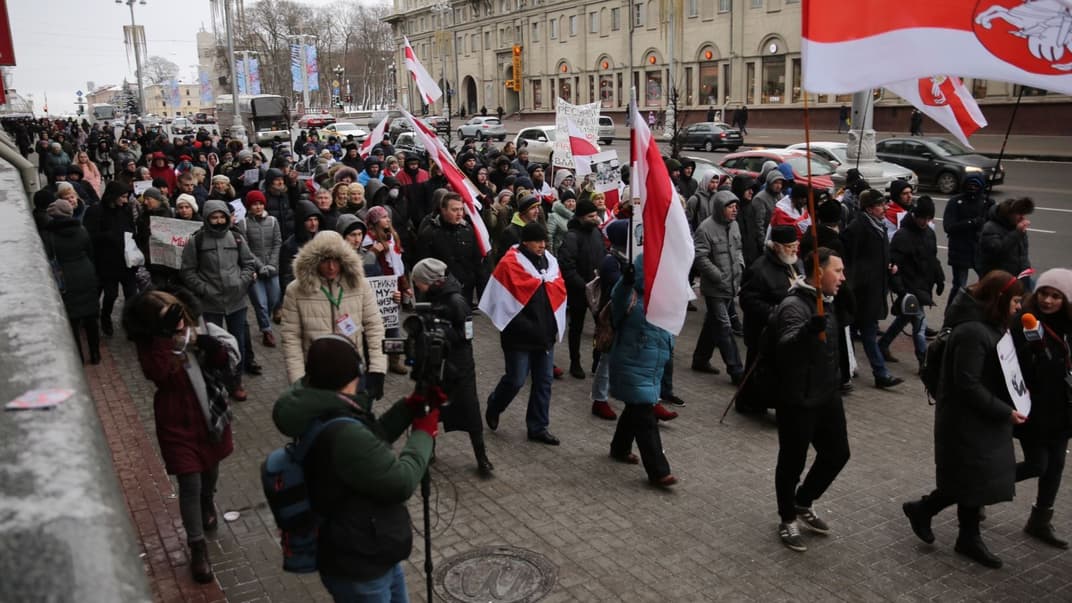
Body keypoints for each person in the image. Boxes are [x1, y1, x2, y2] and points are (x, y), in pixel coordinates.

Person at [271, 335, 439, 602]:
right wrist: (424, 432)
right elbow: (401, 482)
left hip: (371, 547)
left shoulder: (321, 405)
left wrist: (408, 408)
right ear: (350, 379)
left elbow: (373, 438)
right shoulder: (342, 431)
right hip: (359, 563)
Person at [902, 271, 1026, 569]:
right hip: (966, 420)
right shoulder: (972, 331)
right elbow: (966, 384)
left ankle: (951, 527)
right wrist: (1004, 410)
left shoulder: (990, 325)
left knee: (975, 478)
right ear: (1000, 299)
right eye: (1016, 301)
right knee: (971, 477)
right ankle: (937, 518)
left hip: (980, 418)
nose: (1019, 308)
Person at [124, 289, 237, 584]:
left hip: (208, 415)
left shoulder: (196, 329)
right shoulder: (151, 345)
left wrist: (205, 344)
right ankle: (197, 546)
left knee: (209, 474)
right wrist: (164, 338)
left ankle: (207, 502)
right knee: (189, 482)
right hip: (176, 420)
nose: (176, 323)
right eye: (166, 320)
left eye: (175, 315)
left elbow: (225, 360)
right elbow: (158, 373)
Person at [772, 247, 849, 553]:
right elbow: (786, 346)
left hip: (827, 394)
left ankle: (803, 500)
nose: (843, 277)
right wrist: (808, 329)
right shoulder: (794, 305)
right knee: (792, 461)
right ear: (819, 273)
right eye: (838, 271)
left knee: (838, 454)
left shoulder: (827, 300)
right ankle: (787, 517)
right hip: (798, 398)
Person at [480, 222, 566, 446]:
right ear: (525, 241)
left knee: (544, 381)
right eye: (538, 241)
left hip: (544, 333)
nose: (542, 245)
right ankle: (495, 405)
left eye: (544, 241)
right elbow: (503, 301)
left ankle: (538, 427)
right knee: (516, 379)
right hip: (519, 335)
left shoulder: (551, 262)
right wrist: (526, 325)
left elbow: (557, 290)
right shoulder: (510, 264)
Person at [411, 258, 494, 476]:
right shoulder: (426, 296)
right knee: (428, 408)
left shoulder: (456, 301)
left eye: (418, 281)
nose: (416, 286)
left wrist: (440, 331)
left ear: (429, 280)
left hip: (458, 365)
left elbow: (466, 336)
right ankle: (428, 451)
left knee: (470, 409)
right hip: (433, 363)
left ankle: (481, 456)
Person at [280, 231, 387, 399]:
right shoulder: (295, 290)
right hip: (316, 379)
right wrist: (297, 381)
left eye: (336, 260)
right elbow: (291, 338)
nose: (331, 267)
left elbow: (375, 327)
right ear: (314, 261)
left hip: (353, 376)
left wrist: (378, 370)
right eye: (324, 260)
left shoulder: (360, 286)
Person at [1009, 268, 1072, 549]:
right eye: (1044, 293)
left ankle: (1040, 520)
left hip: (1062, 409)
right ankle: (976, 489)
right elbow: (1012, 364)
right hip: (1032, 407)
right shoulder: (1023, 322)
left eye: (1055, 296)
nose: (1047, 301)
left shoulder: (1068, 326)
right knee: (1038, 464)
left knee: (1056, 465)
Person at [609, 254, 678, 488]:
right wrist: (625, 281)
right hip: (631, 363)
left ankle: (619, 448)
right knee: (645, 416)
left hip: (652, 366)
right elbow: (616, 304)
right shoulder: (631, 295)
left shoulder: (663, 299)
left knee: (636, 407)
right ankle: (659, 471)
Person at [180, 200, 258, 401]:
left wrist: (241, 283)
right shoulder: (196, 241)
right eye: (213, 217)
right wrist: (204, 289)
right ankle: (215, 381)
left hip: (237, 301)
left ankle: (236, 380)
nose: (218, 221)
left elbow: (249, 264)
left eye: (221, 216)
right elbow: (188, 271)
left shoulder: (237, 237)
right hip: (210, 302)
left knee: (238, 342)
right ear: (207, 218)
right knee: (214, 344)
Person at [736, 226, 804, 413]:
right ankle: (746, 402)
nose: (794, 249)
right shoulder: (759, 269)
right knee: (756, 369)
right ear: (777, 247)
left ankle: (766, 401)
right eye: (790, 246)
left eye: (795, 245)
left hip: (784, 329)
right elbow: (748, 300)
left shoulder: (792, 263)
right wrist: (775, 312)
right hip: (763, 330)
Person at [841, 190, 903, 389]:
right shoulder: (858, 228)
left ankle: (862, 370)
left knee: (862, 332)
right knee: (862, 332)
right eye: (880, 205)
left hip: (874, 290)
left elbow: (881, 254)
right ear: (868, 208)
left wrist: (889, 264)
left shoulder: (879, 226)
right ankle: (878, 373)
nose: (885, 208)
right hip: (861, 292)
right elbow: (850, 260)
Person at [878, 196, 944, 371]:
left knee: (905, 318)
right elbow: (894, 266)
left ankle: (883, 345)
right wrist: (901, 291)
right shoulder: (903, 236)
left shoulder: (929, 233)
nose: (925, 222)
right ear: (915, 215)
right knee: (919, 325)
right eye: (923, 218)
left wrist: (940, 278)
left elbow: (932, 259)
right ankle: (924, 362)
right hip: (910, 288)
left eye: (929, 218)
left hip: (923, 286)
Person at [691, 191, 745, 383]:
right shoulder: (705, 229)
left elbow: (738, 249)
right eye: (730, 207)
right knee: (724, 326)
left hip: (732, 284)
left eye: (735, 207)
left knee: (712, 323)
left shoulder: (735, 225)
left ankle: (700, 359)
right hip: (715, 287)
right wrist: (718, 275)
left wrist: (740, 265)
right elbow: (700, 257)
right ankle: (736, 370)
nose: (734, 210)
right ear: (720, 208)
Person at [42, 199, 101, 364]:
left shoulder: (49, 235)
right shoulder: (81, 230)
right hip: (85, 273)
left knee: (72, 320)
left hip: (65, 277)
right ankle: (95, 354)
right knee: (91, 318)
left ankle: (78, 357)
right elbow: (90, 252)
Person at [83, 181, 138, 337]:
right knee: (111, 294)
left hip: (127, 261)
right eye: (123, 197)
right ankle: (105, 317)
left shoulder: (125, 210)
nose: (125, 201)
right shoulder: (95, 212)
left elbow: (131, 229)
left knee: (131, 295)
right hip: (107, 262)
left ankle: (130, 323)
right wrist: (108, 236)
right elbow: (89, 236)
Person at [558, 199, 605, 379]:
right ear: (581, 217)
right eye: (590, 216)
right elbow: (567, 266)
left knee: (601, 326)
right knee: (576, 327)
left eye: (595, 215)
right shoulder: (572, 236)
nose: (595, 219)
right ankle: (575, 362)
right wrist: (583, 285)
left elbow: (602, 255)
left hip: (596, 289)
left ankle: (597, 359)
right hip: (579, 290)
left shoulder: (596, 233)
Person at [417, 192, 486, 307]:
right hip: (441, 295)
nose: (459, 214)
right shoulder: (429, 233)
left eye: (461, 209)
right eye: (454, 210)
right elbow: (422, 268)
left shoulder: (467, 230)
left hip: (465, 291)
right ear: (443, 210)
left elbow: (477, 261)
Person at [240, 190, 283, 348]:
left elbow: (277, 243)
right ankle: (266, 330)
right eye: (254, 204)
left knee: (274, 298)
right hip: (254, 269)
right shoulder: (243, 223)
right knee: (260, 303)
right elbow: (245, 248)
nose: (257, 207)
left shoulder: (272, 221)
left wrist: (272, 264)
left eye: (260, 204)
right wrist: (259, 266)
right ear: (249, 206)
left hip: (272, 269)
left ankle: (265, 321)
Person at [943, 174, 990, 306]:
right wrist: (972, 222)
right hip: (960, 250)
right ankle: (950, 316)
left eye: (976, 186)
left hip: (979, 250)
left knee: (987, 283)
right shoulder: (955, 202)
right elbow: (949, 227)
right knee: (959, 287)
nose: (973, 188)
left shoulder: (986, 203)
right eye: (970, 185)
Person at [978, 197, 1034, 289]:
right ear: (1008, 214)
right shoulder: (990, 227)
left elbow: (1023, 252)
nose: (1022, 217)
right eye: (1018, 214)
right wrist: (1017, 233)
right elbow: (997, 251)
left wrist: (1026, 270)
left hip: (1020, 276)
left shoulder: (1016, 227)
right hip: (1000, 279)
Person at [742, 169, 784, 267]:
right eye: (776, 183)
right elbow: (758, 224)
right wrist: (763, 244)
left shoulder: (780, 196)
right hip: (766, 240)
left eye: (780, 183)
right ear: (769, 183)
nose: (779, 186)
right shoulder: (760, 199)